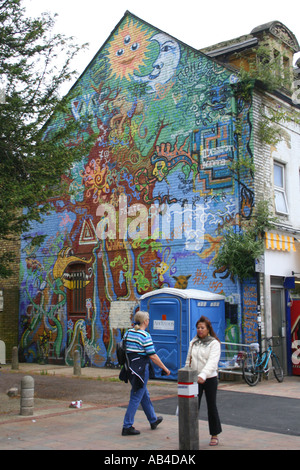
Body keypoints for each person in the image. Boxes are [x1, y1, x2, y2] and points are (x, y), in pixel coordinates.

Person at [120, 310, 170, 436]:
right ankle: (127, 426)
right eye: (148, 319)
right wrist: (165, 368)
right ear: (145, 321)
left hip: (129, 368)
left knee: (143, 394)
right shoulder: (144, 335)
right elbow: (152, 355)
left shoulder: (128, 333)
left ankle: (153, 420)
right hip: (141, 370)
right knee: (136, 396)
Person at [185, 315, 222, 446]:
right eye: (198, 328)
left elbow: (212, 361)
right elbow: (189, 359)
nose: (200, 330)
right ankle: (190, 433)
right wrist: (186, 373)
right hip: (195, 378)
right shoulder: (193, 342)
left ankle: (214, 434)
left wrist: (204, 375)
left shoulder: (214, 343)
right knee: (193, 407)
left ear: (208, 329)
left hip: (209, 378)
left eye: (202, 328)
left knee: (211, 406)